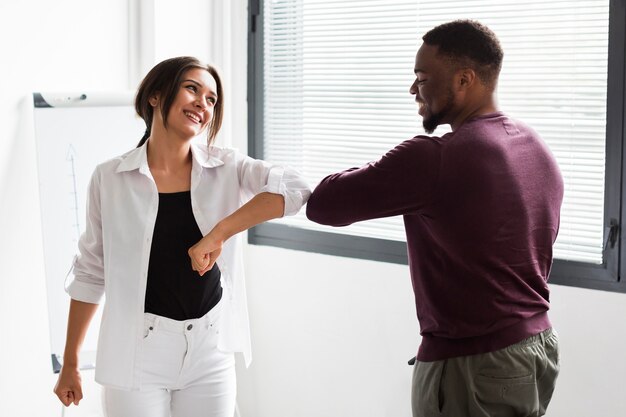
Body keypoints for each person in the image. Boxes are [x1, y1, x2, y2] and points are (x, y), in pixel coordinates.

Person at [306, 20, 562, 417]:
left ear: (464, 80)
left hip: (475, 365)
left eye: (422, 78)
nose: (413, 90)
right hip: (536, 348)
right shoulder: (534, 146)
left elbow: (323, 204)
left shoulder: (435, 157)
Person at [53, 56, 310, 417]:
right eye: (192, 89)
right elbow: (91, 273)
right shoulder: (110, 178)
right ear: (156, 95)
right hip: (137, 352)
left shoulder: (228, 167)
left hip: (210, 349)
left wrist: (219, 232)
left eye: (211, 99)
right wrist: (70, 363)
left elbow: (297, 190)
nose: (202, 105)